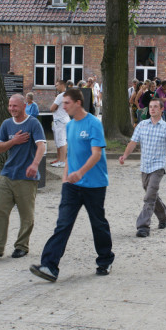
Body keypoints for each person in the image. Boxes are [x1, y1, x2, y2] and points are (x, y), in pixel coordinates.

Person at [30, 89, 115, 282]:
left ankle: (105, 260)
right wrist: (65, 176)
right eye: (63, 103)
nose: (63, 106)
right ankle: (49, 266)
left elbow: (96, 154)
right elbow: (70, 154)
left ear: (78, 103)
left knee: (98, 223)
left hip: (94, 184)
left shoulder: (93, 123)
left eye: (67, 103)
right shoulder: (70, 126)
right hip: (72, 185)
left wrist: (80, 173)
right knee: (63, 224)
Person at [0, 94, 46, 259]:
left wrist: (35, 164)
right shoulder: (6, 124)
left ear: (24, 106)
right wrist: (14, 141)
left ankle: (21, 246)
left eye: (15, 106)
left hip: (26, 177)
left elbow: (41, 146)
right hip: (7, 175)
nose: (11, 109)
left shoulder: (33, 123)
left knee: (26, 215)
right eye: (10, 106)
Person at [119, 98, 166, 237]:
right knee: (152, 194)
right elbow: (133, 142)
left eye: (156, 107)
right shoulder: (142, 125)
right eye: (150, 106)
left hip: (158, 167)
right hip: (145, 166)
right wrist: (125, 155)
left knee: (149, 196)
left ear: (162, 109)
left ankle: (143, 226)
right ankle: (164, 215)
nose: (152, 109)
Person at [50, 79, 70, 168]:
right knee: (60, 140)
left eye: (57, 85)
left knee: (61, 141)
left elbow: (52, 108)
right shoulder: (68, 95)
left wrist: (54, 103)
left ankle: (62, 161)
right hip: (65, 119)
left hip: (60, 120)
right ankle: (60, 159)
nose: (56, 87)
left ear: (62, 85)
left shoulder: (60, 96)